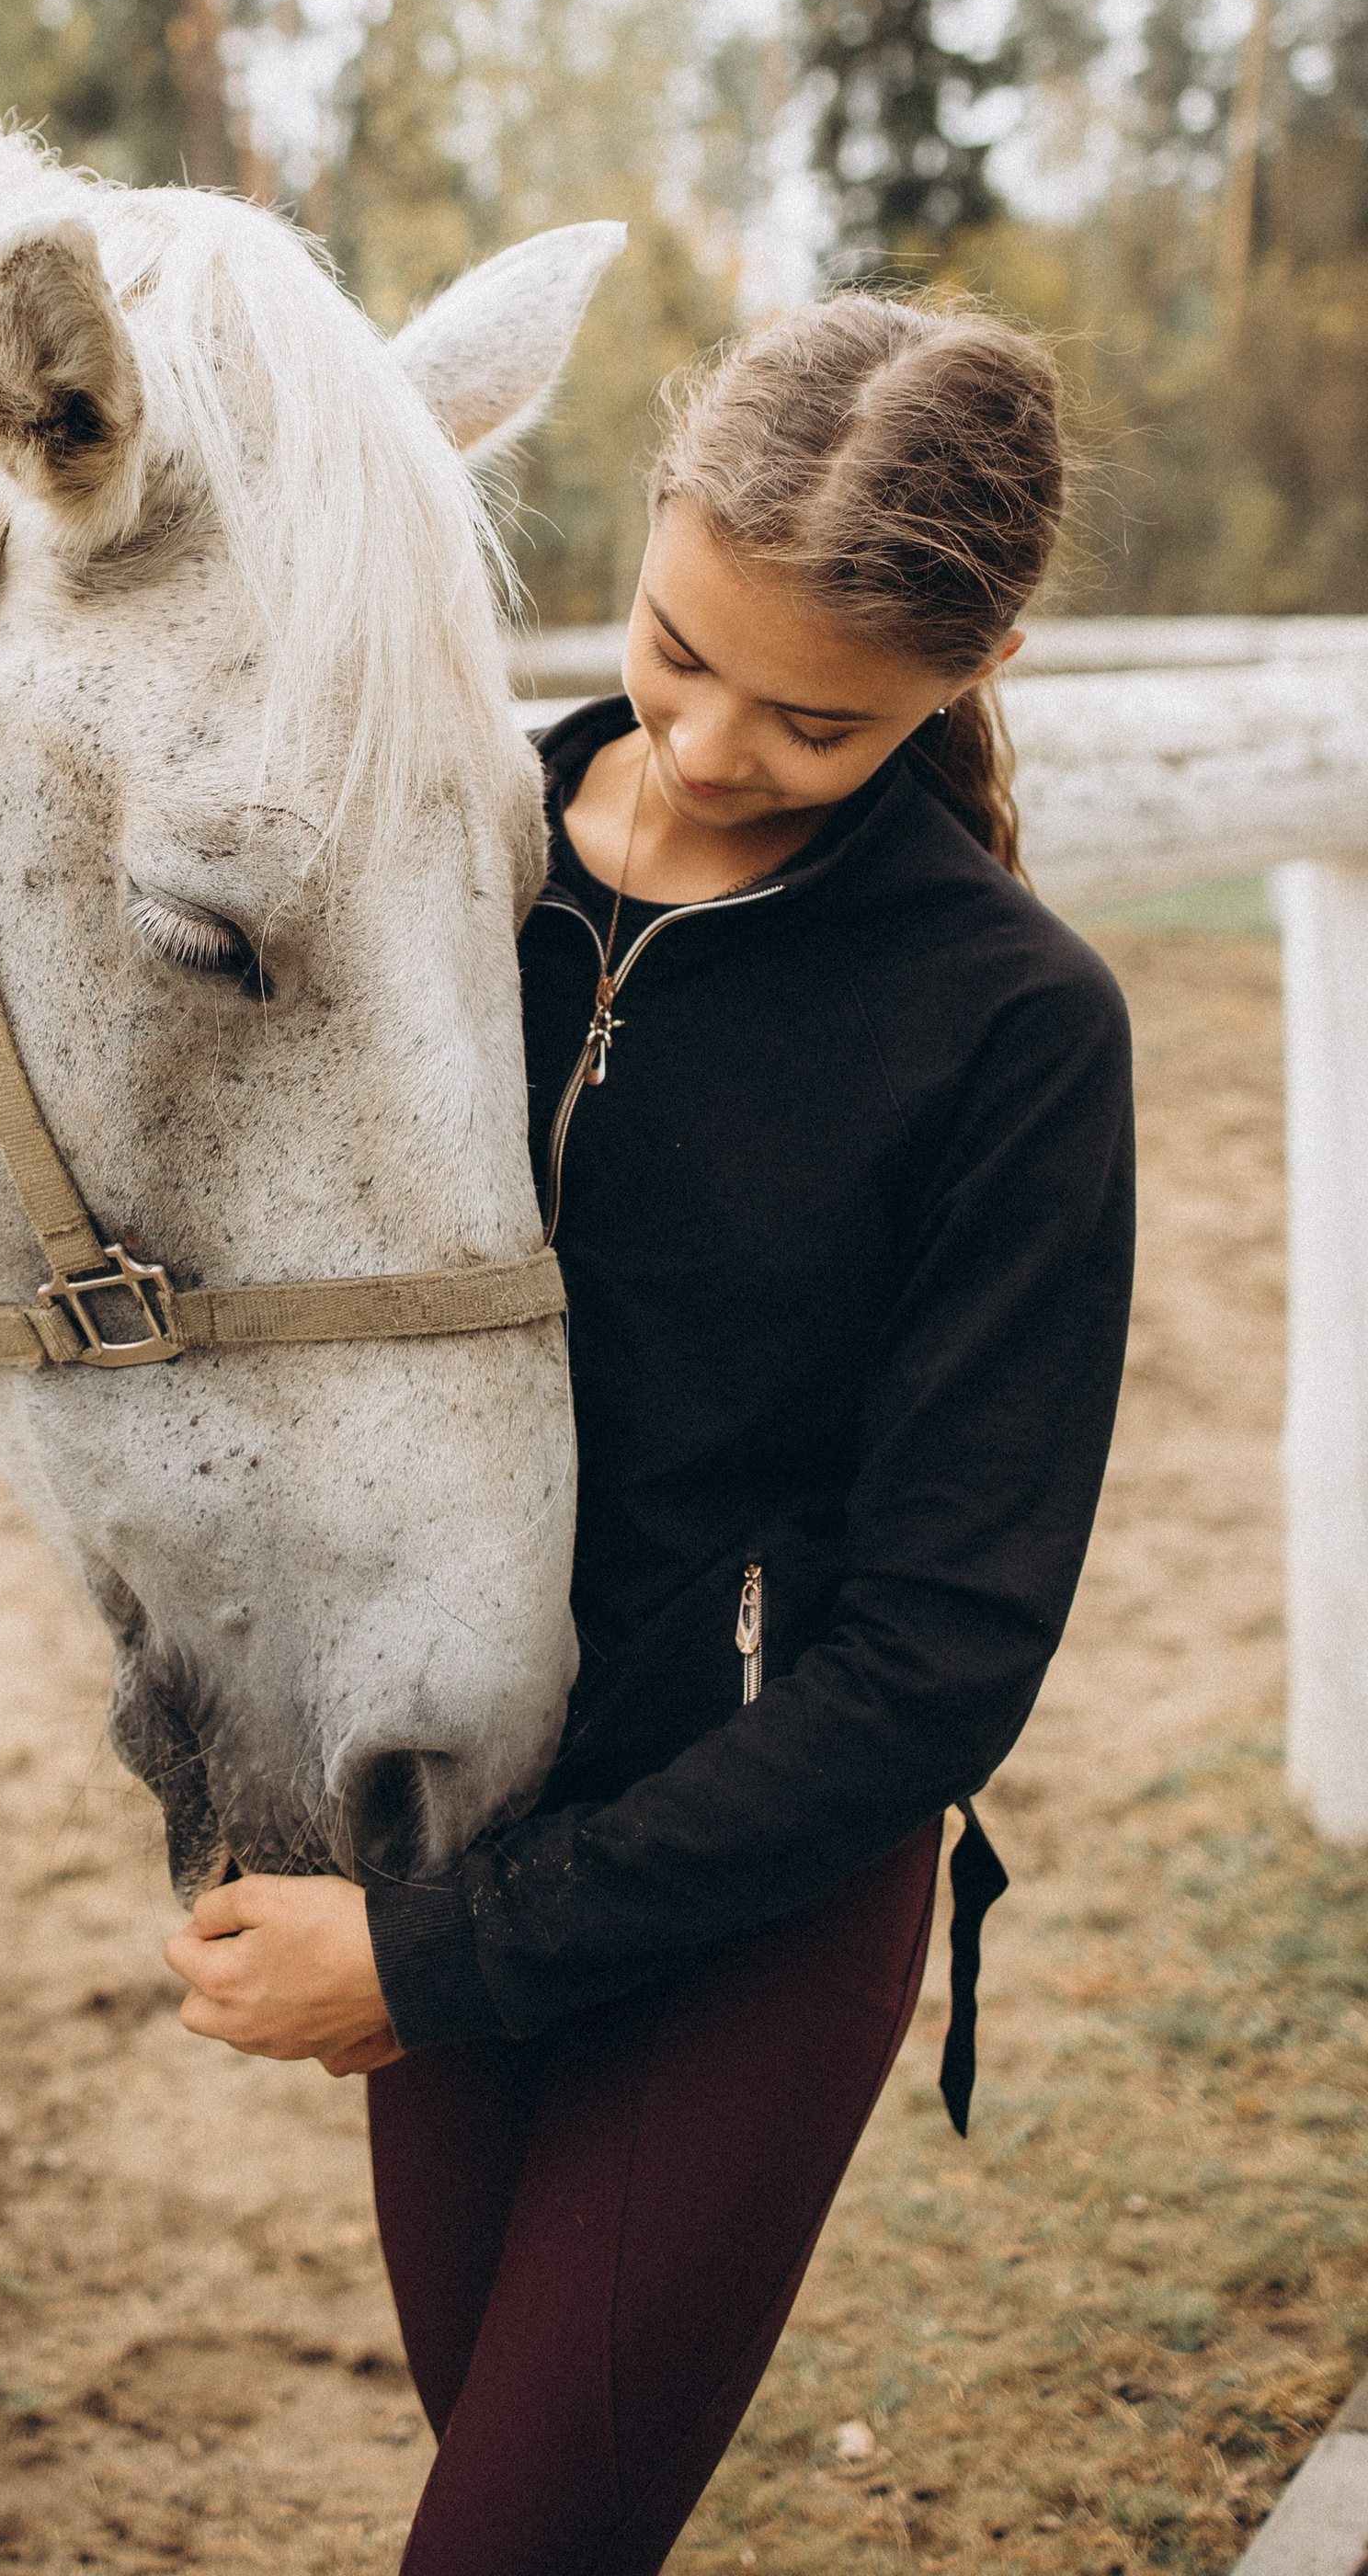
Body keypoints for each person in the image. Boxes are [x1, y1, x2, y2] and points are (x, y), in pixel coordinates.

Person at [163, 295, 1137, 2576]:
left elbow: (938, 1661)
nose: (705, 748)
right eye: (677, 647)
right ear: (648, 527)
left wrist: (430, 1967)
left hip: (750, 1898)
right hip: (438, 1814)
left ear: (961, 672)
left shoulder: (1008, 1031)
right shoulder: (432, 857)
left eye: (817, 722)